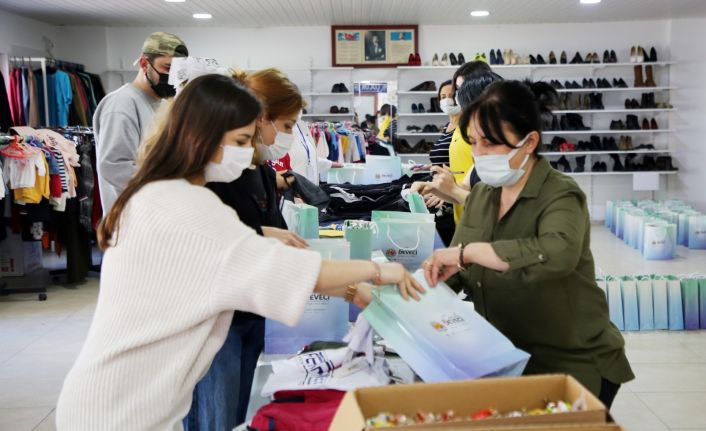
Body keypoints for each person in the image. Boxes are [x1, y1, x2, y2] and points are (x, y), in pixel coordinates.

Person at [56, 74, 423, 431]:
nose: (249, 152)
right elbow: (286, 271)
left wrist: (351, 287)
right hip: (122, 409)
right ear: (202, 137)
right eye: (241, 140)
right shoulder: (188, 206)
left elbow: (251, 265)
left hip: (120, 398)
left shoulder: (159, 192)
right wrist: (378, 272)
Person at [421, 80, 634, 408]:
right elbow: (458, 270)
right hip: (511, 359)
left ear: (529, 141)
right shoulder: (482, 196)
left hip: (573, 362)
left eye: (490, 143)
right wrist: (417, 289)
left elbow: (556, 254)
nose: (478, 154)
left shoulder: (561, 195)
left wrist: (472, 252)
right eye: (474, 142)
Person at [182, 68, 312, 431]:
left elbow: (274, 237)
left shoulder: (262, 172)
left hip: (250, 311)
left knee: (237, 413)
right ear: (261, 117)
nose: (288, 137)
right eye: (286, 126)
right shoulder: (214, 174)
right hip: (218, 318)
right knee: (216, 416)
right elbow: (211, 242)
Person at [94, 32, 188, 212]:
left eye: (179, 71)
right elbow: (115, 166)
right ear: (144, 64)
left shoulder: (163, 104)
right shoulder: (122, 104)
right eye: (168, 68)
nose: (173, 77)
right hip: (130, 219)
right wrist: (165, 188)